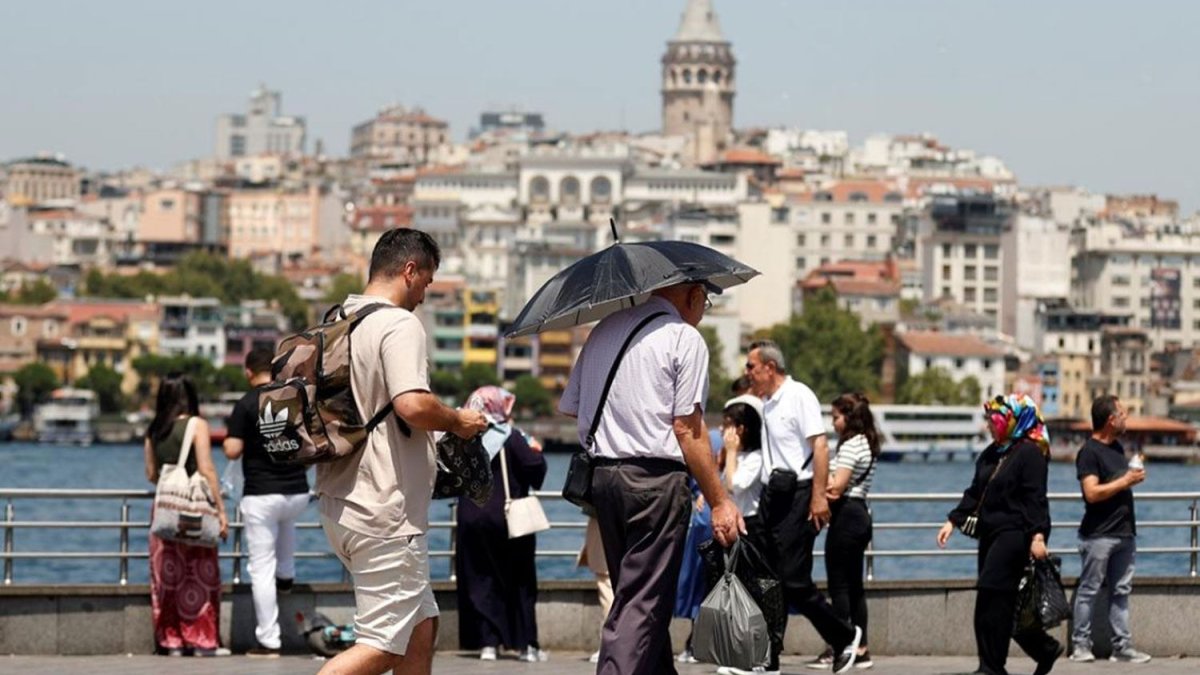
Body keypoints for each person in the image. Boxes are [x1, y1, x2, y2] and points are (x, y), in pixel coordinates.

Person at [314, 228, 488, 675]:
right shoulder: (398, 323)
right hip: (385, 510)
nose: (425, 296)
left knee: (420, 625)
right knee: (383, 646)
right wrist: (458, 421)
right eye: (427, 283)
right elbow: (412, 404)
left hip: (341, 501)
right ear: (410, 271)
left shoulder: (341, 318)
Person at [559, 280, 743, 675]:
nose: (704, 308)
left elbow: (573, 407)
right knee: (640, 602)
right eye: (706, 301)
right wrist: (720, 500)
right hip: (654, 481)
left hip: (604, 478)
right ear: (693, 294)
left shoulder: (604, 329)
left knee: (642, 597)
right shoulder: (683, 338)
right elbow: (688, 429)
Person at [740, 339, 861, 675]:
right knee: (768, 579)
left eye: (751, 366)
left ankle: (844, 635)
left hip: (798, 495)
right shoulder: (765, 403)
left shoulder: (799, 396)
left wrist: (819, 497)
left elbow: (820, 447)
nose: (747, 373)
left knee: (793, 581)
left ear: (769, 367)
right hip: (771, 497)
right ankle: (768, 658)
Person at [937, 394, 1062, 675]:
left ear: (1014, 421)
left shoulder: (1030, 454)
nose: (989, 427)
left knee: (992, 594)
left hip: (1015, 534)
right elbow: (975, 492)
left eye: (995, 421)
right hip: (990, 533)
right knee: (998, 600)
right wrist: (952, 521)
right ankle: (1041, 649)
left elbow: (1036, 499)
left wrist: (1038, 536)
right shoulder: (991, 453)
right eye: (989, 421)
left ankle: (993, 667)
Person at [223, 346, 310, 657]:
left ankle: (269, 640)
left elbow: (233, 450)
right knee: (286, 528)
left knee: (260, 568)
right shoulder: (289, 398)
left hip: (262, 492)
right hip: (297, 490)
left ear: (248, 372)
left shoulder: (246, 403)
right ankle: (286, 576)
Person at [454, 386, 549, 663]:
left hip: (471, 516)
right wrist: (536, 449)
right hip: (508, 518)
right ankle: (525, 645)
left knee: (479, 578)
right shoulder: (512, 437)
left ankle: (487, 643)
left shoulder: (464, 436)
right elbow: (535, 467)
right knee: (519, 578)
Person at [143, 374, 230, 657]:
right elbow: (207, 468)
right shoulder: (196, 425)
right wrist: (221, 509)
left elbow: (151, 475)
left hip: (165, 510)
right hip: (194, 510)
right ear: (190, 397)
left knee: (167, 578)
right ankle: (202, 640)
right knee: (200, 574)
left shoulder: (154, 429)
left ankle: (172, 641)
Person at [1069, 395, 1152, 664]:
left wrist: (1131, 477)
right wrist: (1126, 480)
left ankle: (1122, 647)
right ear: (1110, 420)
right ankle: (1080, 645)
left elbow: (1116, 484)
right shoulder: (1089, 452)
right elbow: (1091, 493)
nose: (1126, 419)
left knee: (1121, 592)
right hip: (1098, 535)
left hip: (1125, 533)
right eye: (1123, 414)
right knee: (1089, 589)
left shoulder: (1117, 448)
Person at [808, 393, 879, 670]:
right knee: (855, 587)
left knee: (839, 585)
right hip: (860, 515)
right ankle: (861, 649)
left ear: (849, 418)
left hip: (846, 517)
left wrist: (815, 487)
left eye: (835, 417)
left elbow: (837, 487)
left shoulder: (851, 445)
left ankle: (840, 645)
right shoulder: (867, 443)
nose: (832, 422)